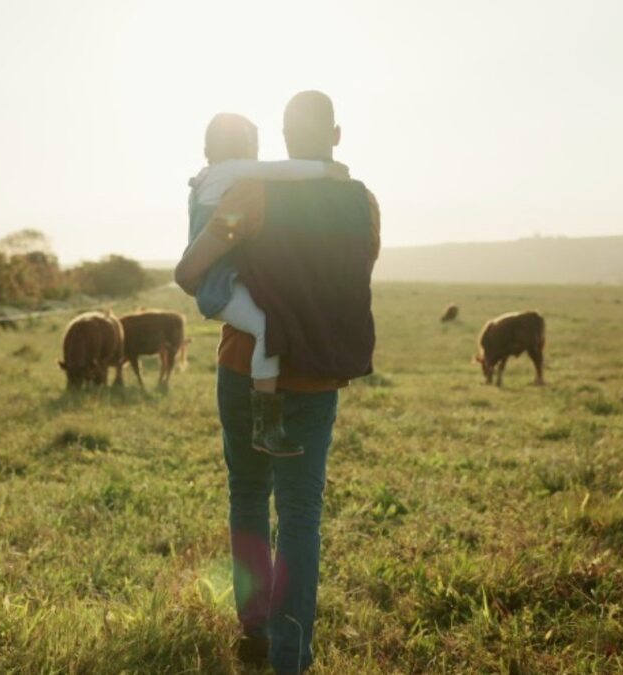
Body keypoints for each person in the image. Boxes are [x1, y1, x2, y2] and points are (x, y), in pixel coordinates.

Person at [175, 91, 380, 675]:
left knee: (247, 497)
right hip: (317, 374)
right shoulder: (364, 203)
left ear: (282, 141)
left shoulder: (252, 193)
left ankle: (254, 634)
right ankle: (292, 661)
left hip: (245, 367)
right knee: (300, 516)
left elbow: (191, 272)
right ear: (334, 136)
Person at [187, 112, 348, 457]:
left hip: (224, 278)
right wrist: (325, 171)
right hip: (219, 283)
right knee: (267, 327)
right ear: (241, 146)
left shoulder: (209, 176)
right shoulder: (231, 171)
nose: (258, 153)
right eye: (254, 144)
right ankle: (267, 426)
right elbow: (281, 171)